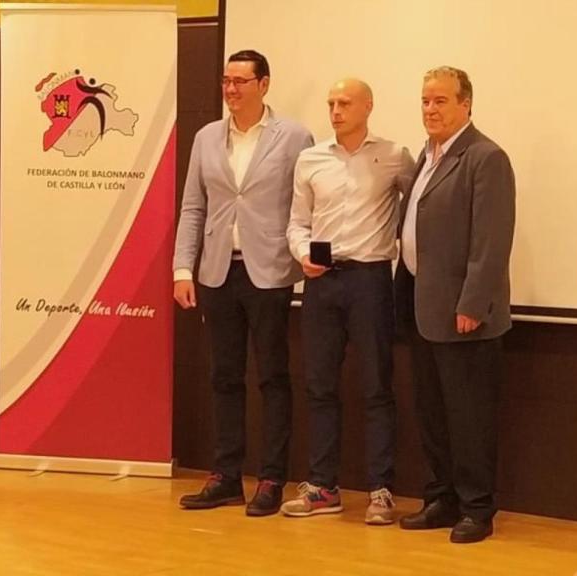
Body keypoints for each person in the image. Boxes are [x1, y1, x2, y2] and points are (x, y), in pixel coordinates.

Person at [172, 49, 313, 516]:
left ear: (264, 85)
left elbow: (305, 205)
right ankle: (226, 475)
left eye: (241, 82)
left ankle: (271, 478)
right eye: (226, 81)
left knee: (273, 376)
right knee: (224, 377)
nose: (231, 90)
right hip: (216, 271)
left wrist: (306, 254)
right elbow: (194, 206)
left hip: (269, 270)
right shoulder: (207, 137)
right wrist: (182, 269)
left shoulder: (293, 136)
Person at [280, 78, 413, 524]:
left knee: (377, 385)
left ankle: (380, 490)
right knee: (319, 385)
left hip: (371, 280)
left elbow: (417, 215)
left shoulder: (395, 157)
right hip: (321, 283)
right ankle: (322, 487)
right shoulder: (310, 159)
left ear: (368, 106)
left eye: (345, 103)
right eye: (331, 103)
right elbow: (296, 222)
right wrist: (302, 255)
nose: (335, 110)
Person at [395, 66, 516, 544]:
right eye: (425, 100)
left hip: (465, 316)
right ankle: (441, 498)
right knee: (433, 413)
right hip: (423, 308)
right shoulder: (426, 156)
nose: (430, 109)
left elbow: (491, 240)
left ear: (466, 104)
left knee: (470, 418)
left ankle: (477, 509)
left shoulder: (485, 157)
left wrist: (473, 302)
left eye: (441, 101)